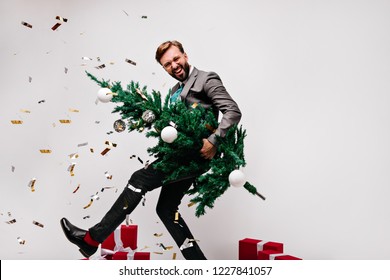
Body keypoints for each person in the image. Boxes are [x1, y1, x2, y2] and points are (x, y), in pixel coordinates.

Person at [60, 40, 242, 260]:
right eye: (167, 64)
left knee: (139, 179)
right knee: (166, 209)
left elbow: (232, 110)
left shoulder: (206, 79)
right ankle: (199, 265)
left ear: (185, 55)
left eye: (176, 59)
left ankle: (91, 239)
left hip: (194, 155)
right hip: (178, 154)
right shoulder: (176, 90)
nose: (174, 65)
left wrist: (214, 140)